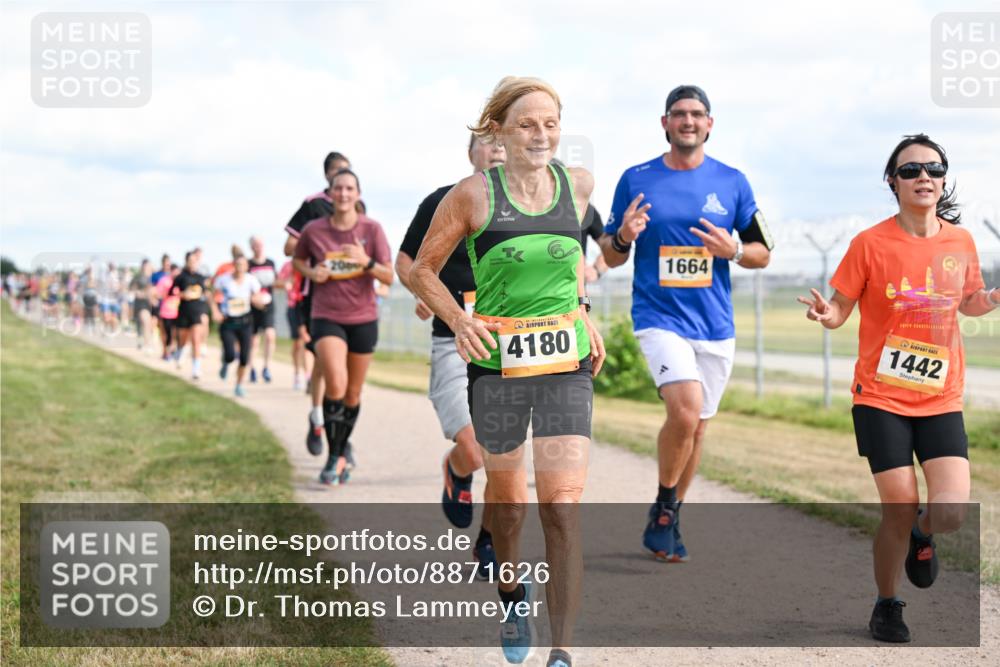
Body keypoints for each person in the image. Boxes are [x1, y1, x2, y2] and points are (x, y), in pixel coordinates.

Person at [410, 76, 605, 667]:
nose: (541, 134)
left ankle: (563, 653)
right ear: (497, 129)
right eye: (527, 124)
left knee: (563, 504)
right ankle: (512, 593)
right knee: (510, 503)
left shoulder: (579, 185)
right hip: (497, 369)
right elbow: (422, 270)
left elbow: (568, 262)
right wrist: (459, 321)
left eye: (550, 123)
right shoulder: (471, 195)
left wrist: (582, 312)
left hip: (566, 363)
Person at [797, 134, 996, 643]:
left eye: (933, 168)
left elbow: (968, 301)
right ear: (893, 181)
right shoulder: (870, 243)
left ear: (943, 178)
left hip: (941, 397)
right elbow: (840, 309)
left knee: (948, 511)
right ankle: (887, 604)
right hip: (880, 396)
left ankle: (924, 537)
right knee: (899, 506)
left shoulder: (962, 241)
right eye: (911, 170)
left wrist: (991, 297)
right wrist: (827, 314)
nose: (923, 176)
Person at [600, 84, 774, 563]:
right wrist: (622, 235)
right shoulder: (636, 178)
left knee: (697, 428)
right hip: (658, 317)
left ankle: (669, 512)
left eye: (697, 114)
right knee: (685, 409)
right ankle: (664, 504)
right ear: (665, 123)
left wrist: (733, 250)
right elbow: (611, 258)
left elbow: (762, 253)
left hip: (715, 324)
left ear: (710, 123)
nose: (688, 121)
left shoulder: (733, 182)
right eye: (679, 114)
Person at [396, 133, 505, 578]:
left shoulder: (529, 208)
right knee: (476, 450)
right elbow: (407, 262)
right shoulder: (443, 201)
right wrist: (426, 293)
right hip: (453, 341)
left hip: (511, 348)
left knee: (503, 455)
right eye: (488, 142)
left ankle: (490, 541)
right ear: (471, 153)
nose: (497, 150)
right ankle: (457, 469)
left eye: (504, 142)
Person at [293, 168, 392, 485]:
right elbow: (297, 260)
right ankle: (334, 457)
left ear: (358, 194)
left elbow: (389, 276)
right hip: (327, 316)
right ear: (330, 193)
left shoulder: (372, 230)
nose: (344, 194)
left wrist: (365, 262)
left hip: (363, 318)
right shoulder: (314, 230)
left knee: (352, 393)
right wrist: (312, 274)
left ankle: (339, 451)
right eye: (339, 188)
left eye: (350, 188)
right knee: (335, 383)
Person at [284, 151, 352, 457]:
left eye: (349, 174)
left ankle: (340, 428)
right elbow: (288, 247)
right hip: (318, 296)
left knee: (347, 367)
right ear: (327, 176)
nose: (344, 182)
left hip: (352, 296)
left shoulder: (357, 205)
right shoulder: (313, 205)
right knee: (326, 363)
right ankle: (318, 418)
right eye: (339, 173)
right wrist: (318, 243)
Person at [212, 256, 267, 396]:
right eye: (237, 264)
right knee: (230, 354)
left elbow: (257, 297)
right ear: (233, 265)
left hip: (245, 322)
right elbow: (212, 296)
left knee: (244, 356)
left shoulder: (251, 280)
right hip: (228, 320)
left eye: (242, 264)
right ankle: (226, 362)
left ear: (247, 266)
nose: (239, 267)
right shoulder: (224, 280)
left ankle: (239, 385)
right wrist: (216, 311)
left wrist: (260, 303)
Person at [171, 251, 211, 379]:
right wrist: (182, 295)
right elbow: (172, 291)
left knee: (195, 339)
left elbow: (205, 293)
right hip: (184, 310)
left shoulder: (200, 277)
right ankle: (180, 351)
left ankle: (196, 368)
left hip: (196, 311)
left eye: (195, 261)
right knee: (183, 338)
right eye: (191, 261)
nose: (193, 264)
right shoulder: (181, 277)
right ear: (187, 262)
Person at [247, 235, 278, 383]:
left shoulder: (270, 262)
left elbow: (276, 282)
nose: (258, 247)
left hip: (268, 305)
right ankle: (251, 368)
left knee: (270, 335)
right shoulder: (248, 264)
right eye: (255, 245)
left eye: (260, 244)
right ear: (251, 247)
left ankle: (267, 367)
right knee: (253, 340)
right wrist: (253, 300)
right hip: (252, 306)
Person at [277, 259, 311, 390]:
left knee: (307, 342)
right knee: (298, 343)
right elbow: (278, 282)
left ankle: (308, 376)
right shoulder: (288, 265)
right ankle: (297, 373)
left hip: (309, 305)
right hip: (294, 306)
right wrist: (287, 283)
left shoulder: (312, 262)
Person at [130, 259, 155, 351]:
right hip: (141, 303)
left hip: (150, 303)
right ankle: (147, 344)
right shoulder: (138, 277)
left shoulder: (153, 277)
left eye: (149, 266)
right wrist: (138, 292)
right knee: (145, 321)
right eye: (146, 266)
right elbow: (132, 288)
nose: (147, 268)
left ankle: (142, 339)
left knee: (147, 324)